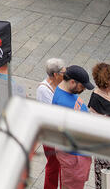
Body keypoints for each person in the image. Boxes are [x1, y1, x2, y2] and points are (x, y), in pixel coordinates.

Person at [50, 65, 93, 188]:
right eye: (82, 86)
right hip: (73, 157)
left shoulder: (67, 91)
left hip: (78, 154)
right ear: (72, 82)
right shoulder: (62, 103)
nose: (83, 89)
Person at [37, 57, 66, 189]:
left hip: (59, 133)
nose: (66, 75)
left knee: (60, 165)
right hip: (50, 135)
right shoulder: (44, 90)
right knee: (53, 166)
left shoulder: (59, 83)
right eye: (63, 73)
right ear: (55, 75)